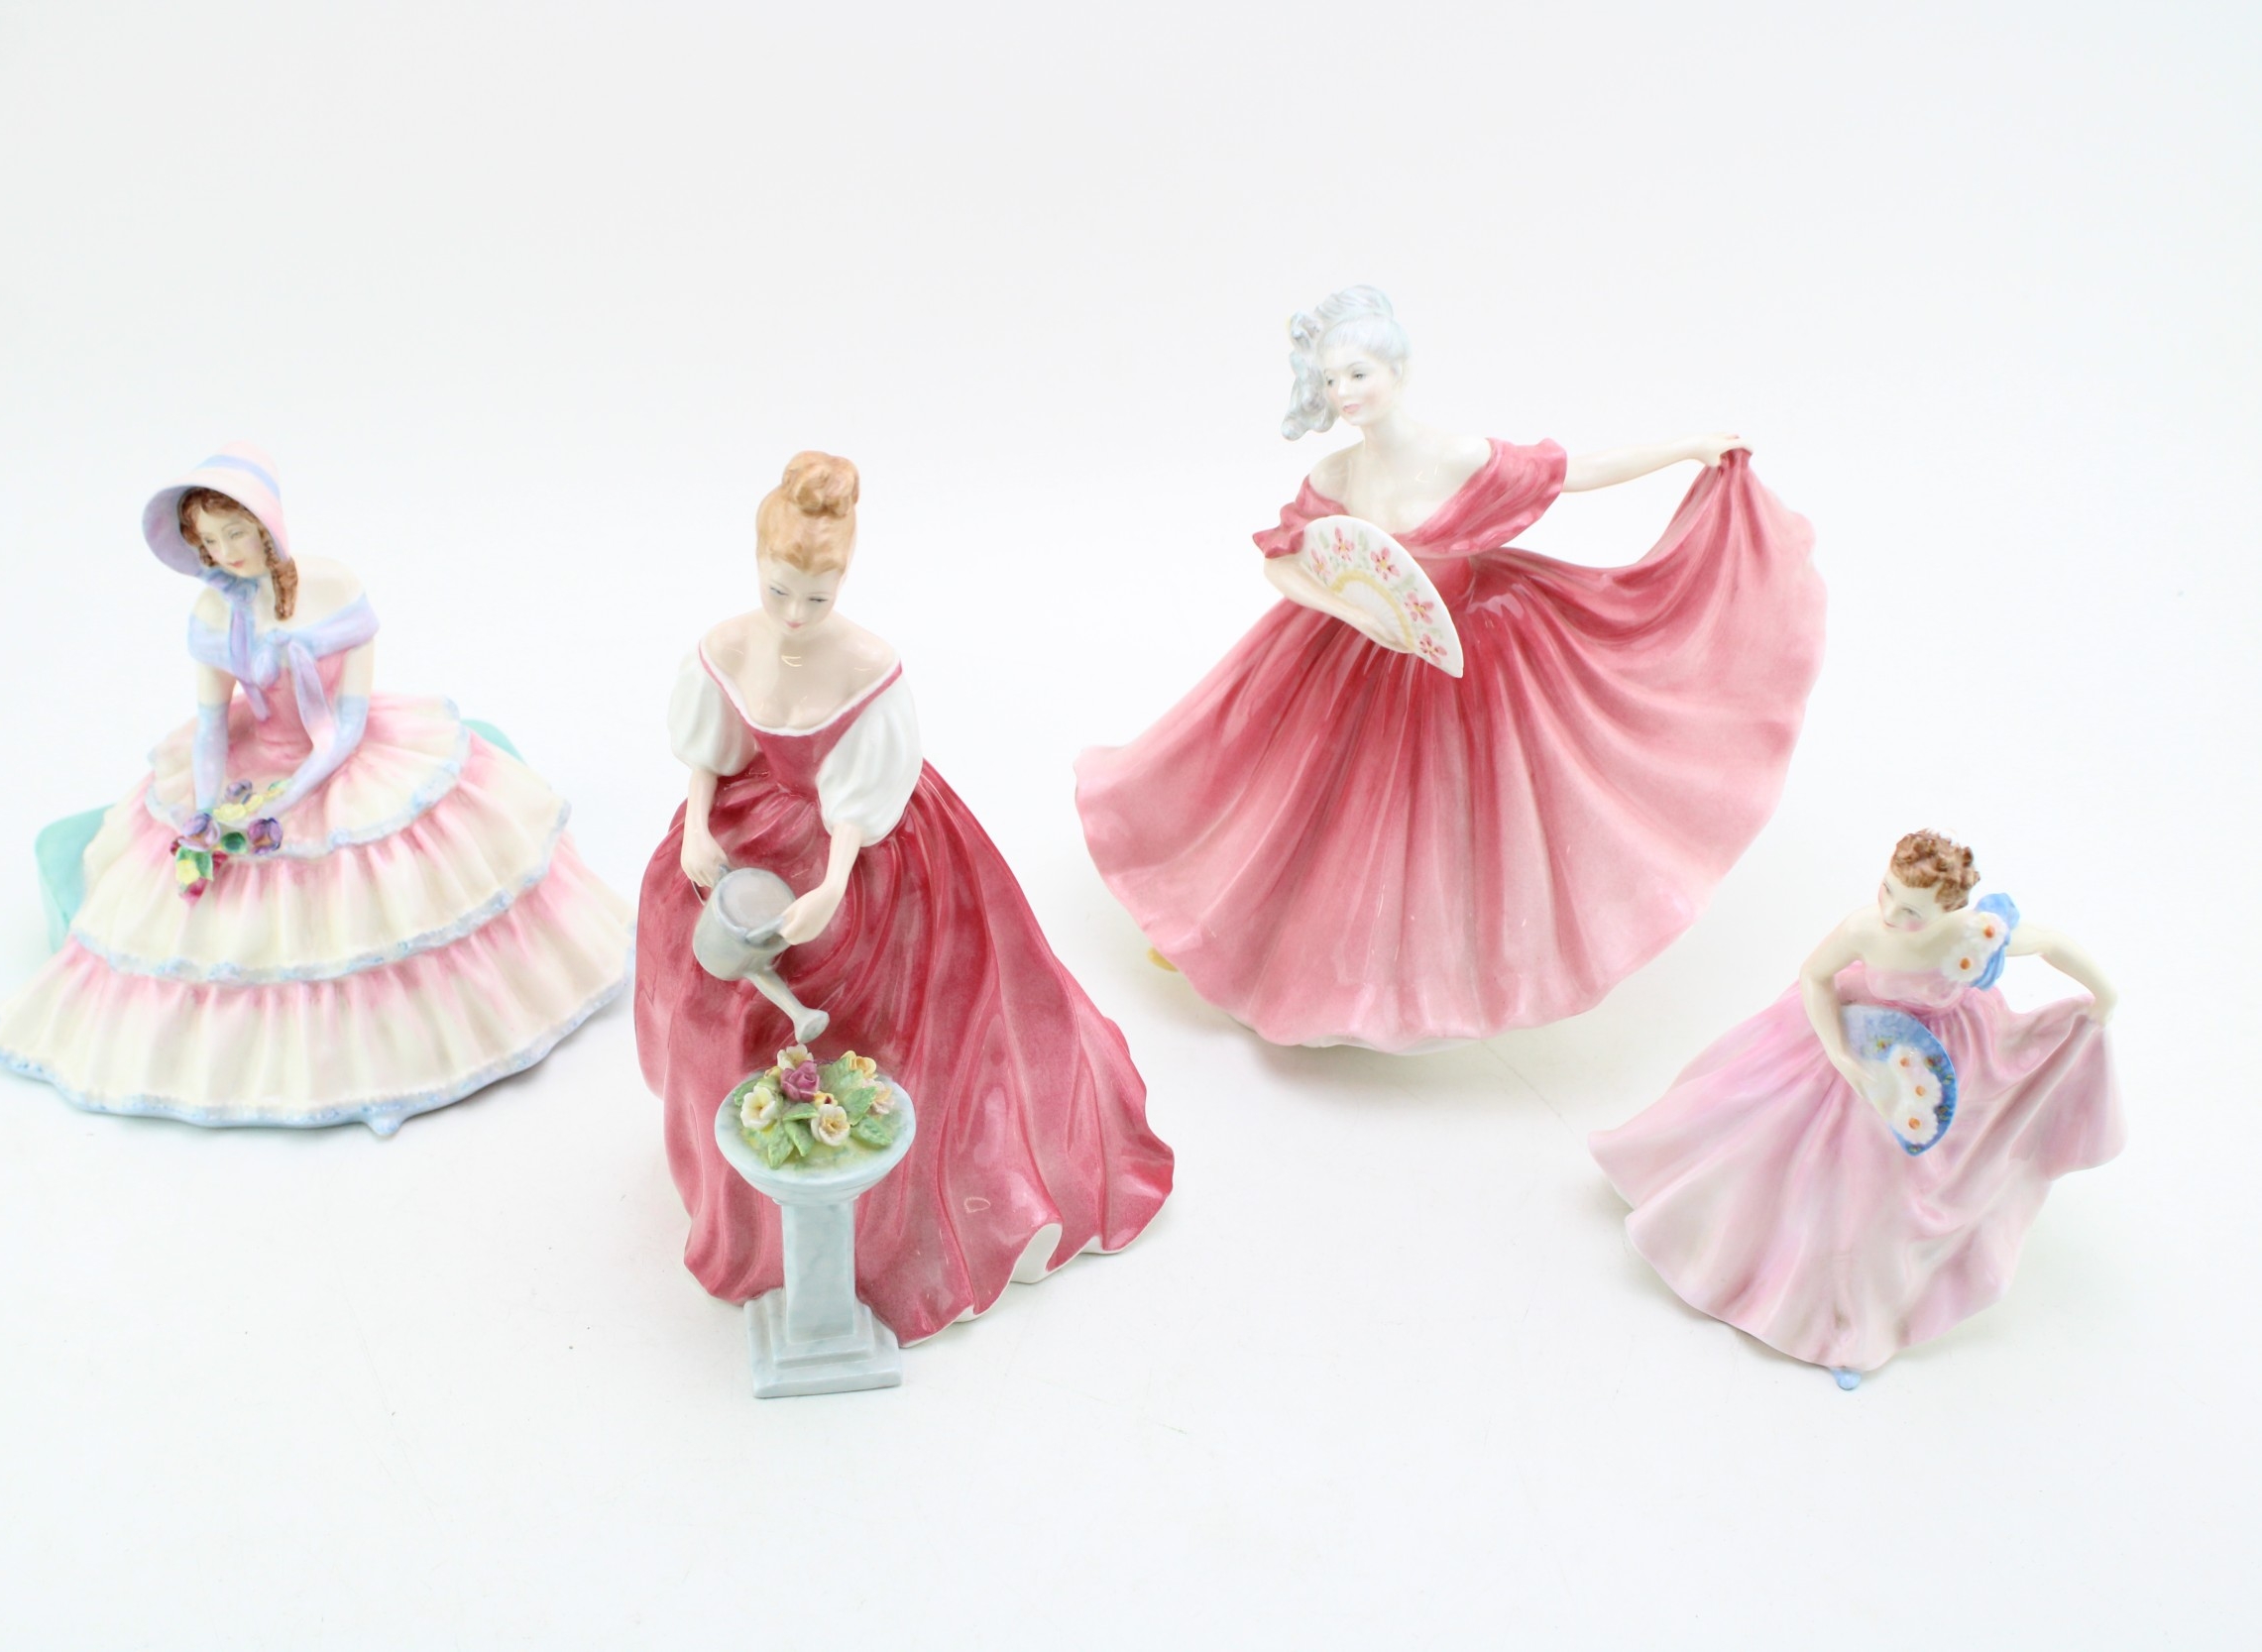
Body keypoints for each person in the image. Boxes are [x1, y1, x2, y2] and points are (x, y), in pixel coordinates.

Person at [1075, 285, 1826, 1050]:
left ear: (1397, 372)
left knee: (1460, 812)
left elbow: (1573, 472)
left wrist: (1688, 447)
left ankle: (1431, 977)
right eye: (1333, 380)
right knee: (1291, 795)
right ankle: (1231, 936)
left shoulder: (1458, 456)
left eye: (1359, 374)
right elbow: (1283, 563)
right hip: (1356, 647)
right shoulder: (1336, 476)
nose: (1345, 393)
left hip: (1472, 645)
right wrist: (1354, 613)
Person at [634, 451, 1174, 1344]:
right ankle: (743, 1201)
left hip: (862, 844)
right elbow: (711, 749)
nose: (795, 615)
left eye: (817, 597)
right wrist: (697, 827)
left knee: (885, 1010)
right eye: (779, 591)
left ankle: (875, 1219)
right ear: (758, 566)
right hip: (748, 829)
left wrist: (833, 883)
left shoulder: (868, 666)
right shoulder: (727, 645)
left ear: (843, 579)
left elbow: (859, 798)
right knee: (713, 982)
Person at [0, 444, 634, 1134]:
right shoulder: (215, 611)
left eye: (236, 532)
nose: (226, 552)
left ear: (268, 525)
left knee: (381, 891)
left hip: (337, 759)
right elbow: (211, 727)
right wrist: (207, 811)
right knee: (203, 907)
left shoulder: (332, 589)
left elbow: (345, 728)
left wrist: (286, 798)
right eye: (209, 541)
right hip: (255, 761)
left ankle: (401, 1052)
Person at [1591, 829, 2122, 1384]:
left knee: (1884, 1186)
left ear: (1948, 910)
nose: (1891, 912)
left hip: (1934, 1062)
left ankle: (1850, 1320)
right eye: (1887, 891)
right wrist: (1840, 1054)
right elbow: (1815, 976)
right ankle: (1734, 1240)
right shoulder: (1864, 929)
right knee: (1774, 1132)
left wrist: (2104, 993)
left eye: (1912, 910)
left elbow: (2049, 943)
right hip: (1858, 1038)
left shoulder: (1974, 935)